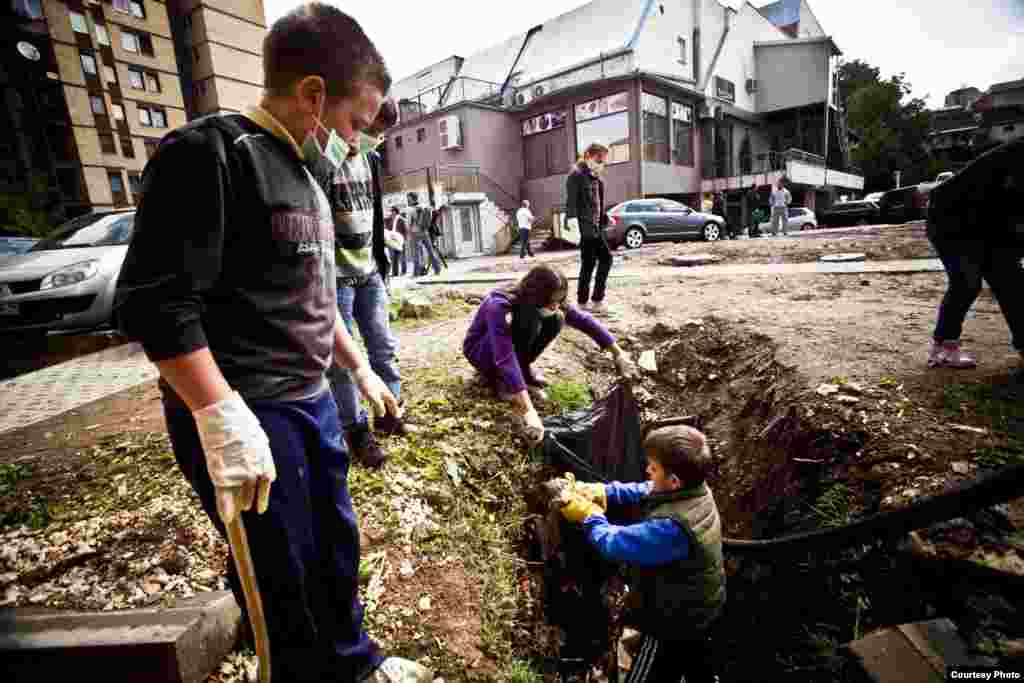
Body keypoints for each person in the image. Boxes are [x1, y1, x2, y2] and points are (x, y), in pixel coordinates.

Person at [113, 5, 429, 682]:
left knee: (335, 547)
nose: (358, 141)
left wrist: (361, 369)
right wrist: (219, 414)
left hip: (312, 402)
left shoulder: (308, 178)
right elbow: (156, 305)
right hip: (250, 410)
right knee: (278, 577)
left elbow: (312, 297)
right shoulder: (211, 155)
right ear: (313, 93)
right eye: (355, 123)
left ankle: (354, 661)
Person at [558, 425, 725, 683]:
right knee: (696, 662)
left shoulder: (673, 529)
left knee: (650, 669)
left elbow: (614, 543)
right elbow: (644, 489)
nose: (648, 470)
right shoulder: (696, 490)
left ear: (673, 481)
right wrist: (602, 492)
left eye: (654, 468)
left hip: (672, 622)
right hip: (701, 609)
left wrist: (589, 515)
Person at [322, 97, 414, 468]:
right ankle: (356, 429)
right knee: (343, 361)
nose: (373, 139)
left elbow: (374, 213)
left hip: (369, 270)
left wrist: (382, 255)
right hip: (337, 276)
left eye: (380, 134)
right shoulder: (323, 159)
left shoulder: (371, 160)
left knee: (382, 345)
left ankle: (390, 411)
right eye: (369, 129)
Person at [462, 264, 633, 443]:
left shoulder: (550, 303)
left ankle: (523, 371)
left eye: (559, 300)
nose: (555, 305)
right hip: (482, 351)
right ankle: (501, 381)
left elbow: (584, 320)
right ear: (536, 295)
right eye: (551, 301)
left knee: (557, 318)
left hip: (507, 348)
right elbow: (504, 356)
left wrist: (618, 353)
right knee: (529, 319)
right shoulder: (498, 304)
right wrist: (529, 411)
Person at [925, 137, 1024, 369]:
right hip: (951, 218)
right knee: (967, 282)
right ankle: (943, 348)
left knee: (1012, 282)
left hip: (991, 222)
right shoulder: (1018, 155)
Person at [566, 143, 613, 314]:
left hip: (596, 228)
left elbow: (597, 205)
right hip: (585, 228)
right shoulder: (576, 175)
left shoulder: (597, 179)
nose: (601, 163)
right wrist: (573, 226)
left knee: (605, 259)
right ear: (588, 156)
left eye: (603, 160)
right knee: (589, 263)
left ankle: (594, 300)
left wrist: (606, 218)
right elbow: (571, 203)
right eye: (598, 159)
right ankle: (585, 302)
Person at [408, 192, 442, 276]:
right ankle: (437, 269)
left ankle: (417, 272)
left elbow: (409, 223)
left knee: (417, 253)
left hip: (415, 233)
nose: (408, 200)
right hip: (425, 231)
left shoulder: (411, 209)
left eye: (408, 198)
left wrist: (410, 232)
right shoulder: (424, 206)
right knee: (430, 251)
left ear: (412, 199)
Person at [387, 206, 408, 277]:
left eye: (392, 211)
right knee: (394, 257)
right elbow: (389, 228)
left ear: (395, 212)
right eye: (390, 211)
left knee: (402, 256)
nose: (391, 213)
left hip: (400, 240)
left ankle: (404, 271)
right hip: (393, 240)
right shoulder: (390, 219)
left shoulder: (401, 220)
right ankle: (395, 273)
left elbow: (405, 231)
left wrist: (404, 239)